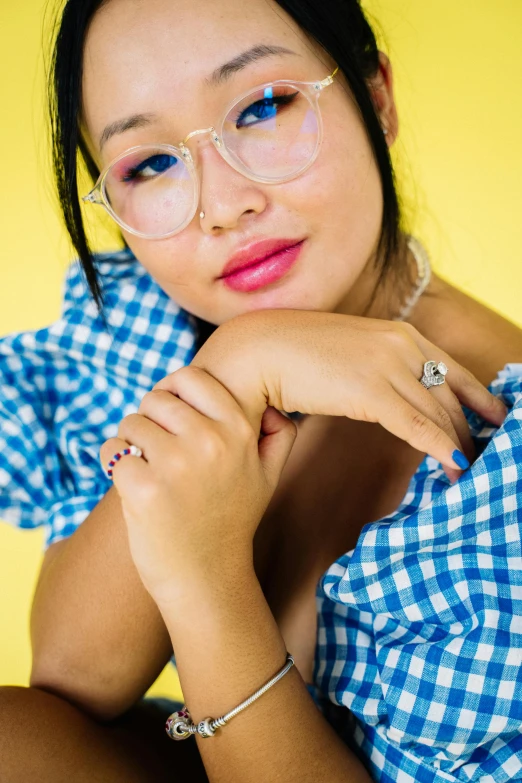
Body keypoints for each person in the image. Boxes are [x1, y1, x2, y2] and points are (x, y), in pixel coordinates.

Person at [0, 0, 520, 780]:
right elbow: (72, 676)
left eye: (264, 107)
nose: (222, 206)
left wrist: (204, 574)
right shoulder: (170, 327)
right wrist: (238, 364)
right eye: (150, 164)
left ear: (377, 98)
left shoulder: (499, 461)